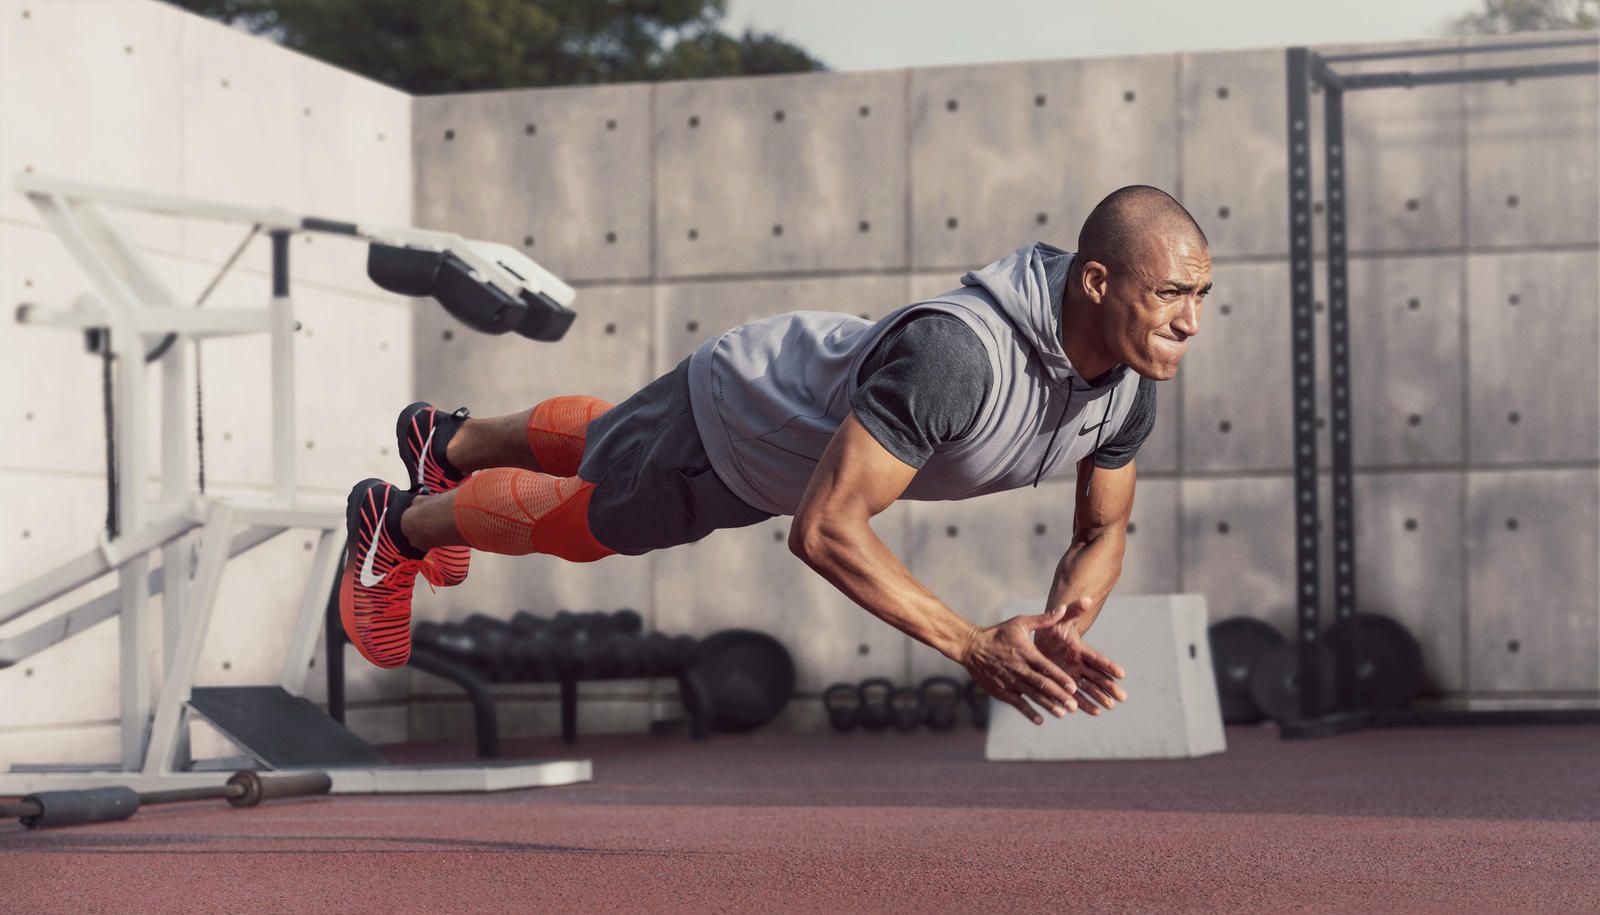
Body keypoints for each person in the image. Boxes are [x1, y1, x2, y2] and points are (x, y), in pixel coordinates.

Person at [340, 184, 1212, 726]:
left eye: (1202, 294)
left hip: (785, 428)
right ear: (1097, 283)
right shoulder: (961, 357)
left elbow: (1102, 530)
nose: (1190, 320)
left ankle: (445, 438)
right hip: (744, 424)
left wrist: (1062, 631)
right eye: (1171, 293)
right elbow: (827, 529)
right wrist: (974, 645)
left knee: (611, 438)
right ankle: (402, 523)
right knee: (589, 519)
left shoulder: (1127, 383)